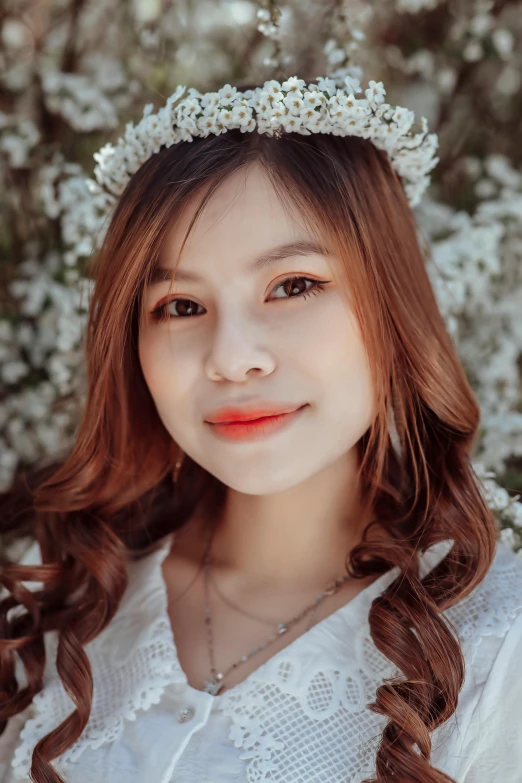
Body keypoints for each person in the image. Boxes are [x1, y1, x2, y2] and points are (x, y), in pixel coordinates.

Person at [1, 74, 521, 783]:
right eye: (181, 305)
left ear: (392, 305)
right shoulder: (60, 594)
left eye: (293, 285)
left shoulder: (498, 648)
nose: (232, 359)